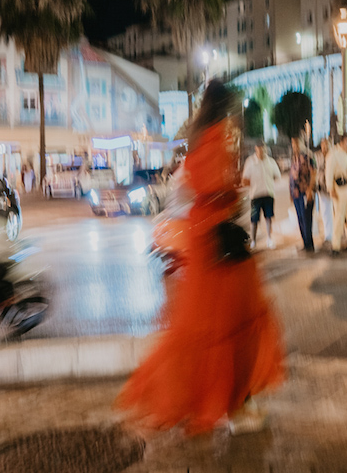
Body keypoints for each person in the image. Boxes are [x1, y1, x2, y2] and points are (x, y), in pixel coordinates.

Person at [116, 81, 284, 435]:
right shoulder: (216, 138)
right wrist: (232, 194)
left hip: (206, 241)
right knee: (234, 323)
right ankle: (233, 403)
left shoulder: (198, 139)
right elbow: (215, 189)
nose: (235, 116)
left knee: (212, 328)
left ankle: (226, 401)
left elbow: (198, 186)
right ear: (224, 107)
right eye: (232, 108)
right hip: (220, 244)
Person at [241, 143, 280, 249]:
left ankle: (269, 239)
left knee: (269, 218)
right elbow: (244, 180)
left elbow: (276, 175)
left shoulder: (271, 161)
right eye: (259, 147)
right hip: (255, 196)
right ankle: (253, 241)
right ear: (256, 148)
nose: (261, 149)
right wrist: (254, 184)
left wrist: (268, 182)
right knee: (254, 219)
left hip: (268, 194)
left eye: (263, 147)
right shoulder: (250, 162)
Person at [288, 137, 316, 254]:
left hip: (305, 192)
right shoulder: (294, 158)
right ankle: (305, 243)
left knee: (306, 218)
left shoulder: (307, 156)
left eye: (297, 144)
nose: (295, 146)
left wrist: (310, 189)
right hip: (296, 194)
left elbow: (313, 173)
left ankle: (309, 244)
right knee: (300, 218)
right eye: (293, 144)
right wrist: (290, 192)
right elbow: (291, 176)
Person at [313, 139, 334, 249]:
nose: (325, 148)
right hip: (322, 187)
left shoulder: (334, 155)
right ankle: (328, 234)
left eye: (327, 145)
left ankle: (337, 233)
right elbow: (316, 170)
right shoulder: (318, 156)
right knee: (325, 211)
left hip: (334, 188)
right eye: (323, 146)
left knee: (335, 212)